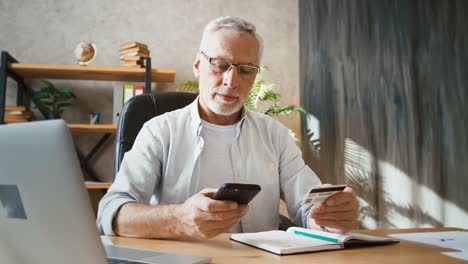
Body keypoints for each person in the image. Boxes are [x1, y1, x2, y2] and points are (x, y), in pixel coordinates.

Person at [97, 16, 359, 239]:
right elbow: (111, 213)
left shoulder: (274, 135)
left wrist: (329, 218)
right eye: (220, 65)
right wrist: (180, 219)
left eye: (245, 70)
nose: (231, 81)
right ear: (198, 66)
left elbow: (307, 210)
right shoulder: (159, 132)